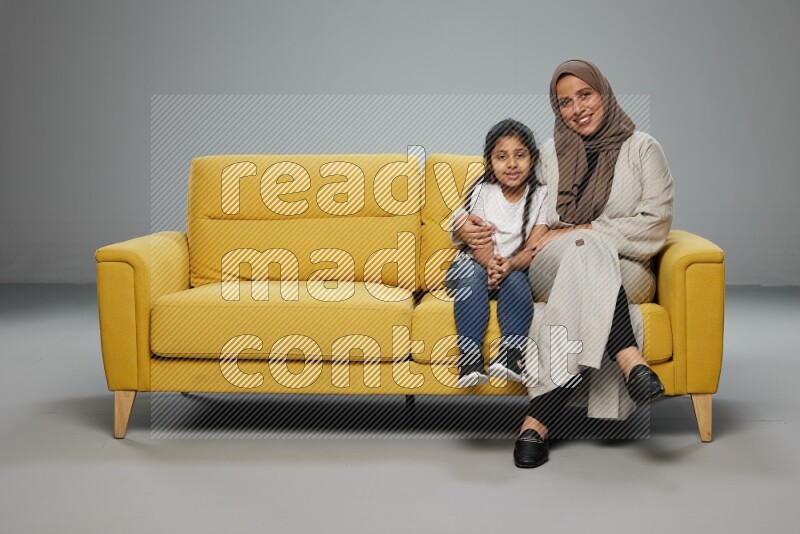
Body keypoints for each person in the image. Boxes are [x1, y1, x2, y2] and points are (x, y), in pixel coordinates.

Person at [512, 60, 674, 468]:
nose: (576, 108)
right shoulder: (549, 154)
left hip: (627, 265)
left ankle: (540, 418)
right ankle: (629, 358)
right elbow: (539, 223)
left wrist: (583, 229)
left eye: (585, 95)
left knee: (586, 243)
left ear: (604, 93)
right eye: (564, 102)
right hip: (553, 265)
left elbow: (655, 225)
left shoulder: (643, 149)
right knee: (582, 246)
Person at [447, 119, 549, 388]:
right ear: (490, 162)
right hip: (475, 265)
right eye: (501, 157)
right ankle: (469, 360)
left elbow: (533, 248)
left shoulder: (540, 195)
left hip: (511, 269)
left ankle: (511, 356)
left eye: (520, 155)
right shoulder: (483, 191)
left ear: (532, 158)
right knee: (470, 277)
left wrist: (508, 266)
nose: (512, 164)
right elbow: (479, 240)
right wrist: (492, 265)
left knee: (517, 281)